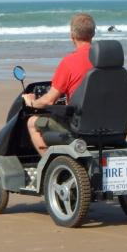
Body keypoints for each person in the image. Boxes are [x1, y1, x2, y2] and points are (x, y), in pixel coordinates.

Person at [22, 13, 96, 155]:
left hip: (79, 127)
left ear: (72, 35)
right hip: (109, 125)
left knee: (32, 122)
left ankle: (49, 168)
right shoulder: (108, 62)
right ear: (93, 33)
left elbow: (50, 100)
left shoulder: (69, 62)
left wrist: (32, 103)